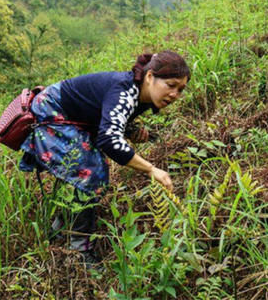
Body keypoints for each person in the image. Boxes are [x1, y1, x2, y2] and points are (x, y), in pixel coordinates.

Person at [18, 50, 190, 265]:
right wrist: (150, 169)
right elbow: (108, 140)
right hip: (52, 111)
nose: (175, 94)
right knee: (90, 173)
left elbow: (108, 114)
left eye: (181, 89)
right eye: (171, 85)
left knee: (84, 175)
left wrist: (130, 130)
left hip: (69, 114)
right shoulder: (125, 91)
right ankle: (78, 253)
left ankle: (59, 231)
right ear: (149, 77)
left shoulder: (140, 94)